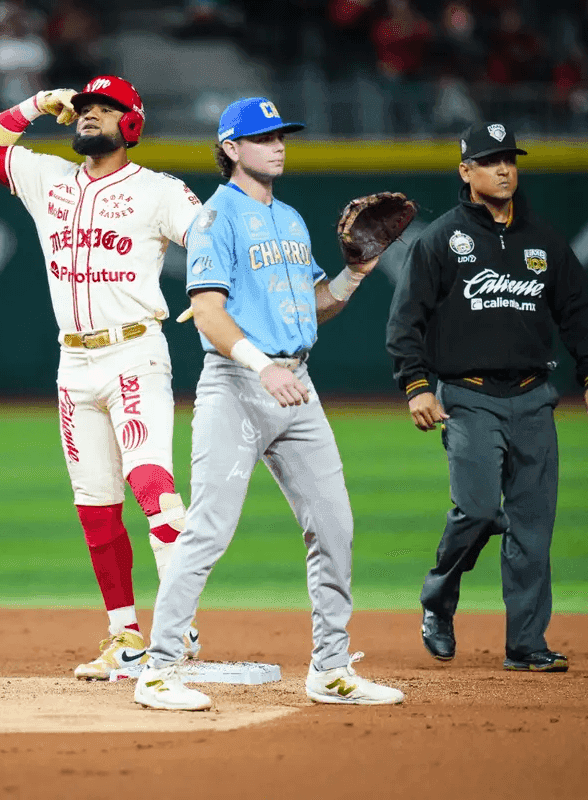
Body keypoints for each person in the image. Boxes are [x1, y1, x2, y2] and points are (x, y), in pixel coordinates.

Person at [133, 97, 405, 711]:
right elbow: (207, 314)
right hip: (236, 388)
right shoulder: (214, 219)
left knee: (335, 525)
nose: (277, 145)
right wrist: (262, 368)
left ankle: (331, 668)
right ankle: (159, 669)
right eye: (262, 137)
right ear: (232, 149)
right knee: (207, 529)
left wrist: (356, 274)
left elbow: (315, 306)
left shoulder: (290, 220)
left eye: (281, 135)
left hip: (297, 389)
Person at [0, 75, 204, 679]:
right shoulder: (49, 181)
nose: (90, 115)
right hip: (73, 365)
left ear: (132, 123)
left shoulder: (158, 191)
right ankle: (124, 638)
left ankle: (178, 633)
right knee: (96, 507)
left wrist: (212, 293)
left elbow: (209, 240)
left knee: (153, 488)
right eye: (87, 107)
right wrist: (37, 105)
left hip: (134, 354)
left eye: (106, 108)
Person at [385, 122, 588, 673]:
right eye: (489, 161)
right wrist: (415, 386)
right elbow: (405, 321)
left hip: (534, 398)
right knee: (480, 509)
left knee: (532, 528)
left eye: (509, 158)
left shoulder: (544, 240)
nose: (503, 168)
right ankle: (439, 598)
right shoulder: (442, 239)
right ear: (466, 172)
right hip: (469, 396)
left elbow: (578, 310)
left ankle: (526, 644)